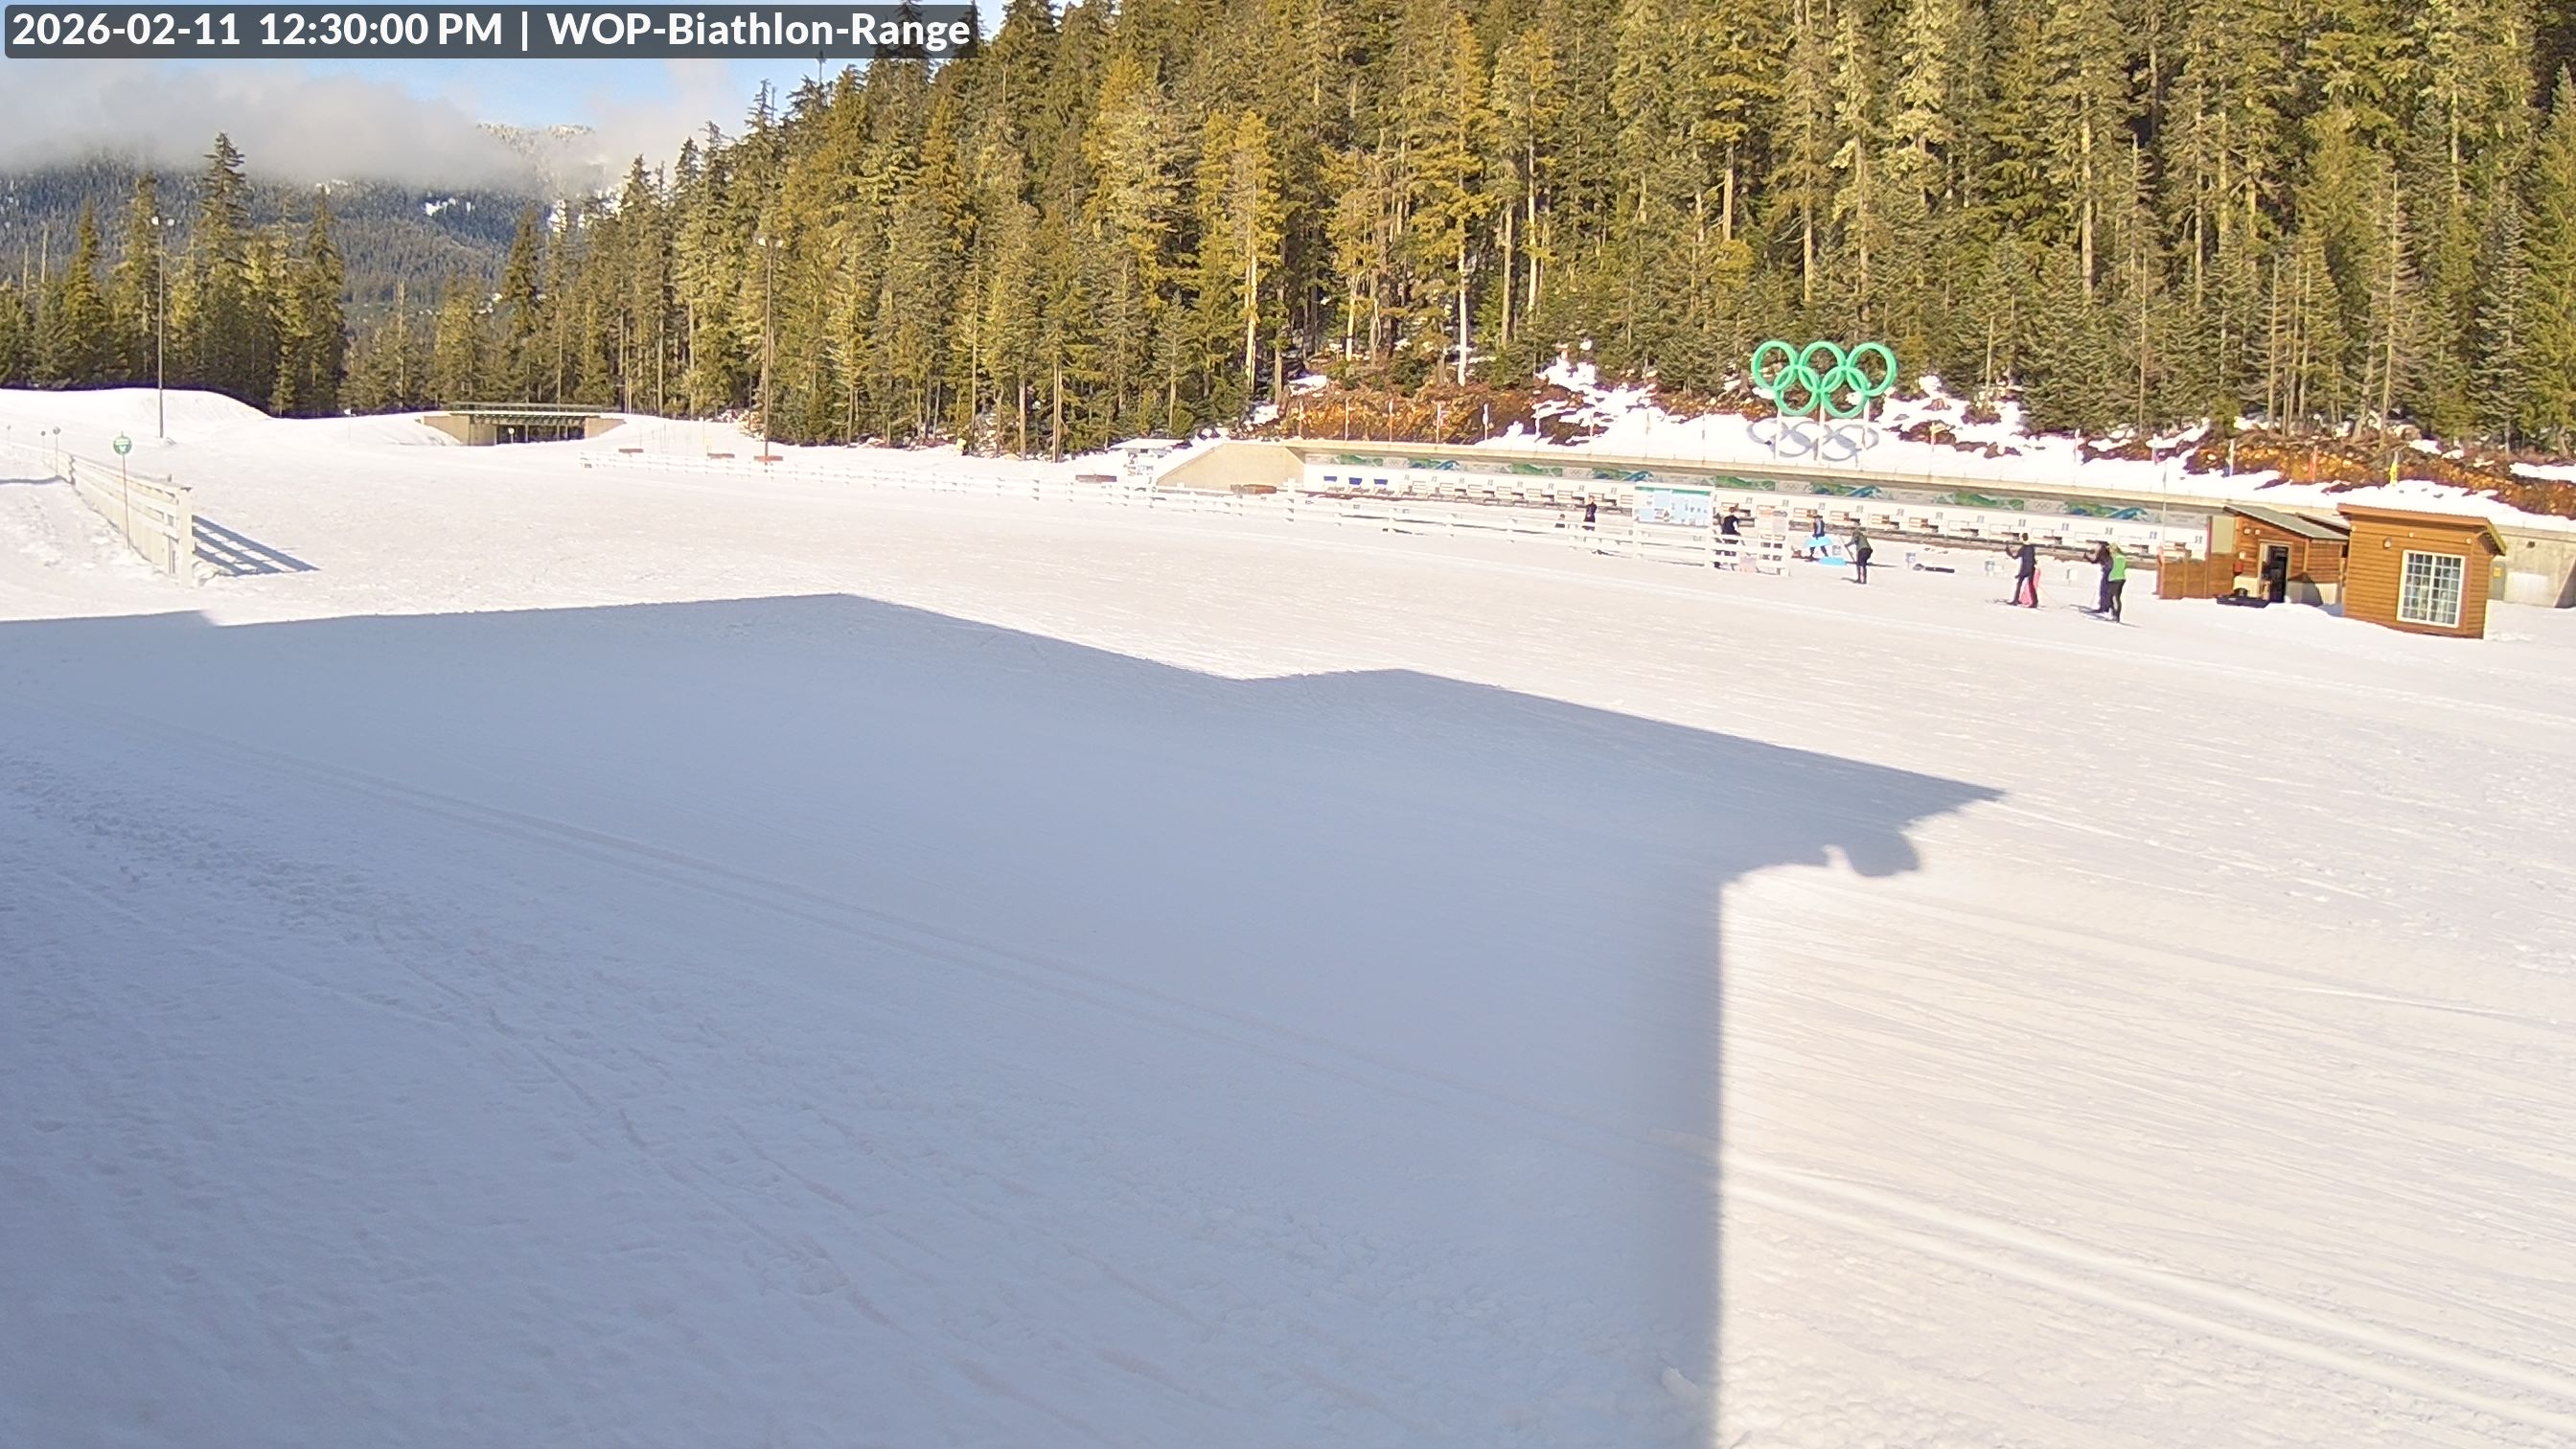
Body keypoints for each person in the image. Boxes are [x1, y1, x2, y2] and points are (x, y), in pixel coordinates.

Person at [2104, 544, 2129, 621]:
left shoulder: (2112, 557)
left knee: (2110, 598)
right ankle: (2117, 616)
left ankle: (2114, 614)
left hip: (2114, 578)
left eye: (2110, 550)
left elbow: (2108, 566)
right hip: (2121, 578)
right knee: (2117, 598)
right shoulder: (2123, 557)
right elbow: (2125, 567)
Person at [2012, 540, 2039, 607]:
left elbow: (2026, 561)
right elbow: (2032, 560)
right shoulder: (2030, 549)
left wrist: (2021, 574)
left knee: (2024, 585)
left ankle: (2017, 600)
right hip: (2029, 569)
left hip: (2027, 570)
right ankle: (2034, 601)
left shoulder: (2025, 549)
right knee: (2029, 586)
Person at [2093, 541, 2115, 612]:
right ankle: (2103, 607)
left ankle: (2104, 608)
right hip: (2107, 572)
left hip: (2108, 573)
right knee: (2104, 591)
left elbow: (2104, 562)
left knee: (2105, 591)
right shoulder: (2106, 554)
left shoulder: (2106, 554)